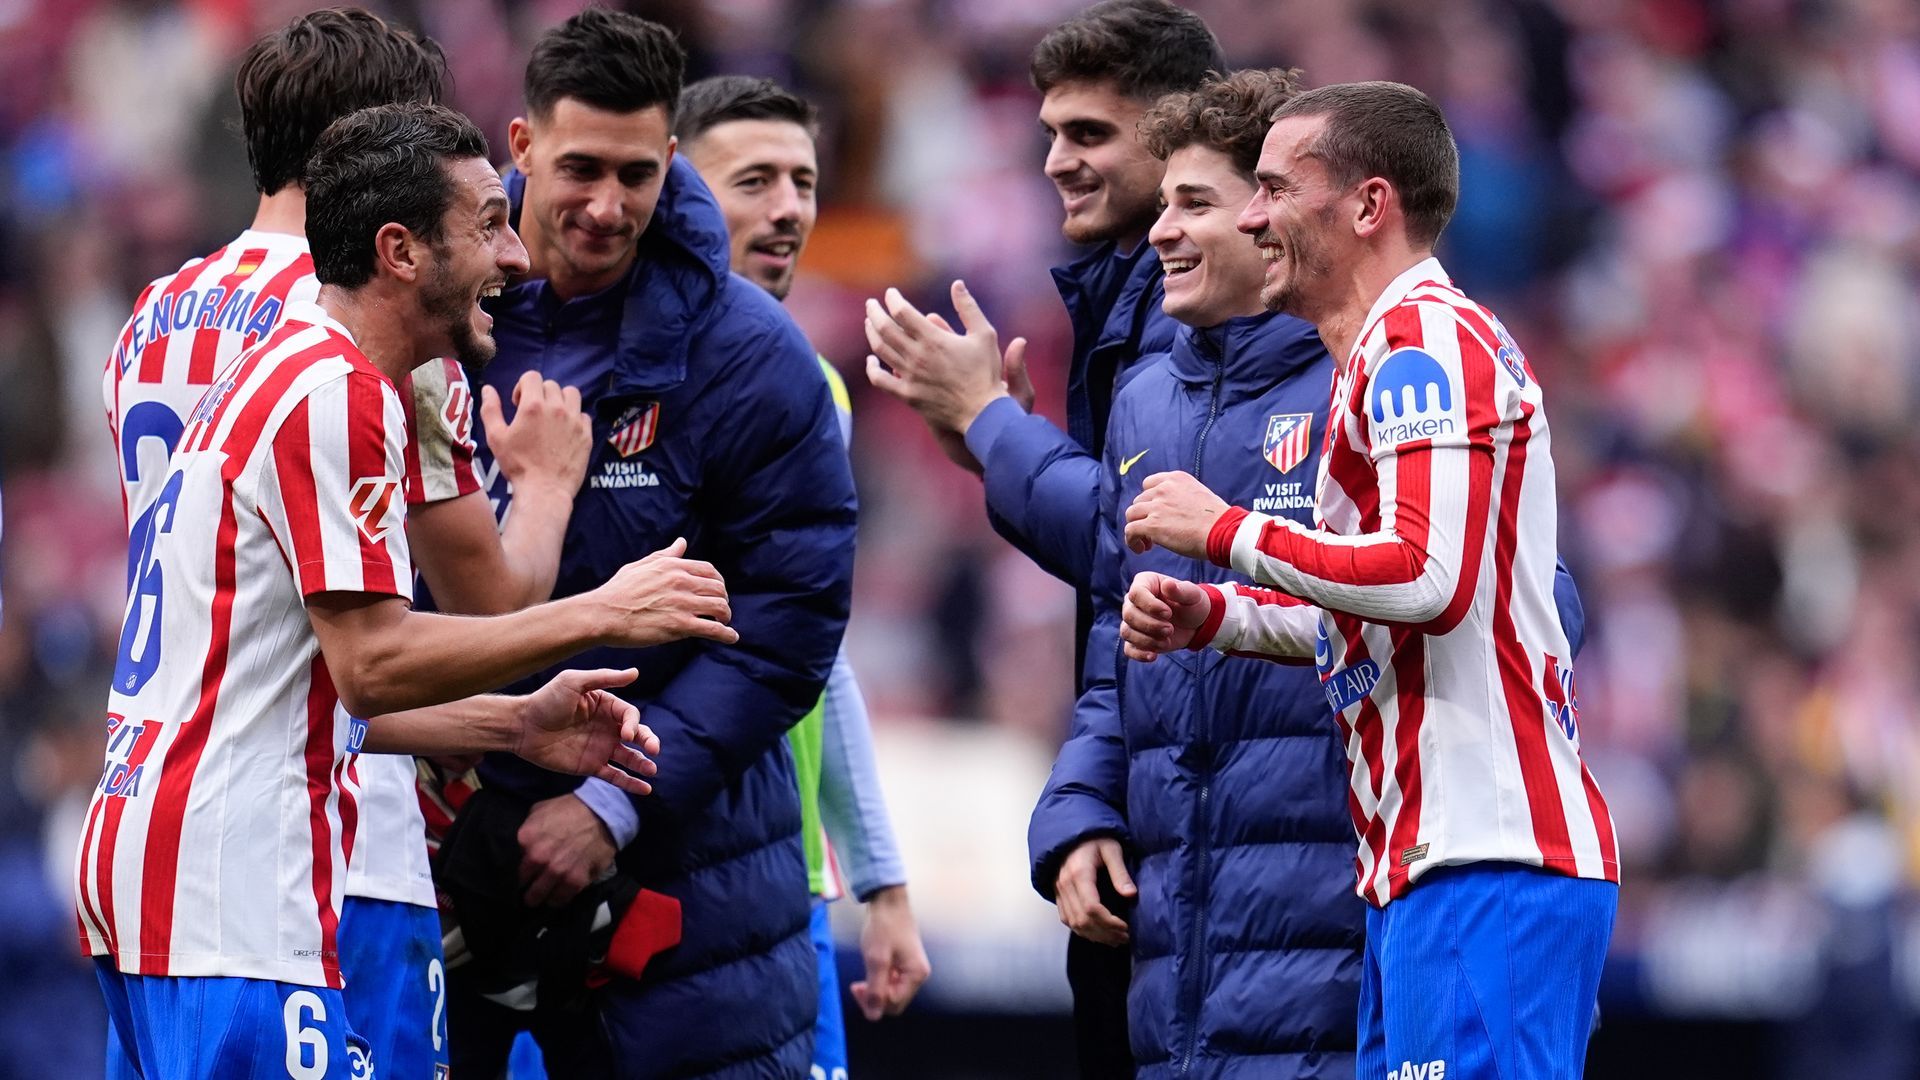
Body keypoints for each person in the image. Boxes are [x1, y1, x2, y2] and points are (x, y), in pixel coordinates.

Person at [78, 100, 736, 1080]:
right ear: (399, 250)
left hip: (154, 873)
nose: (515, 258)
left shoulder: (276, 371)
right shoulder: (340, 395)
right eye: (486, 225)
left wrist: (512, 725)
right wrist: (607, 611)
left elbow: (293, 690)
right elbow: (375, 664)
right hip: (237, 901)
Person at [1120, 82, 1619, 1079]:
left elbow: (1427, 578)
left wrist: (1223, 530)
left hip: (1488, 861)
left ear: (1366, 206)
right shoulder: (1374, 360)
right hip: (1419, 867)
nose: (1251, 214)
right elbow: (1387, 620)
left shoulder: (1424, 341)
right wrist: (1220, 618)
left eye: (1271, 187)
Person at [437, 12, 857, 1077]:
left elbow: (787, 622)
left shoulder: (754, 359)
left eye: (636, 173)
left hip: (688, 885)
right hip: (438, 854)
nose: (607, 206)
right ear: (521, 145)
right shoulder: (433, 316)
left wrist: (615, 802)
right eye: (578, 168)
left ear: (671, 159)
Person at [863, 3, 1223, 1071]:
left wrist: (993, 427)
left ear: (1174, 137)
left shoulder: (1198, 314)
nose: (1058, 161)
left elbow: (1150, 552)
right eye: (1051, 134)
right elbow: (1133, 585)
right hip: (1158, 810)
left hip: (1212, 827)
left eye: (1090, 135)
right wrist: (998, 449)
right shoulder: (1129, 302)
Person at [1027, 67, 1364, 1078]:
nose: (1161, 231)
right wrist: (1080, 811)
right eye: (1162, 201)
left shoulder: (1374, 374)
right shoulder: (1142, 402)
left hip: (1331, 924)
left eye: (1192, 204)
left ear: (1270, 215)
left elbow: (1507, 595)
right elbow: (1109, 651)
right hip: (1176, 944)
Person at [678, 73, 930, 1079]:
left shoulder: (813, 383)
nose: (788, 207)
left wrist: (882, 877)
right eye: (754, 181)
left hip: (790, 876)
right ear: (678, 191)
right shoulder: (614, 370)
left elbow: (819, 650)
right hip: (659, 858)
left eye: (803, 181)